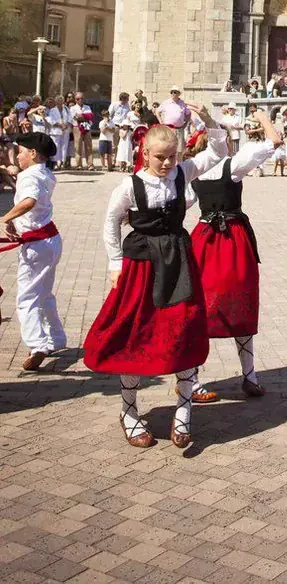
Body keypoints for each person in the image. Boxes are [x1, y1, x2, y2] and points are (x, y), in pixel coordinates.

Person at [83, 106, 222, 449]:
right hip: (141, 267)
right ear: (144, 153)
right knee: (136, 334)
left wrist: (209, 121)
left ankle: (184, 410)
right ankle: (129, 411)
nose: (167, 163)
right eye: (160, 157)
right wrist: (115, 263)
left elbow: (218, 151)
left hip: (178, 263)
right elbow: (111, 222)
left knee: (184, 329)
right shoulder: (130, 186)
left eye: (172, 156)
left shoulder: (182, 173)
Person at [188, 109, 279, 401]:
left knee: (200, 305)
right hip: (232, 240)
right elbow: (274, 141)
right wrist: (264, 118)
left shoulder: (193, 171)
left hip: (203, 238)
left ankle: (191, 380)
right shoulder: (233, 165)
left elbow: (182, 202)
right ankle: (249, 376)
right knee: (241, 303)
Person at [0, 132, 66, 371]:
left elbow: (29, 201)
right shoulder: (45, 173)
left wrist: (6, 217)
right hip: (49, 239)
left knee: (27, 298)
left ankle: (37, 344)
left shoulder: (29, 176)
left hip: (37, 245)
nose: (18, 157)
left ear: (33, 153)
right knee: (44, 294)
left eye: (20, 152)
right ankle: (56, 337)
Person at [157, 87, 191, 154]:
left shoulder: (183, 103)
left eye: (175, 92)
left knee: (179, 150)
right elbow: (157, 111)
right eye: (171, 92)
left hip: (179, 129)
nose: (173, 94)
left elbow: (188, 114)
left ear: (179, 94)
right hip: (168, 129)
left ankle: (178, 161)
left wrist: (186, 123)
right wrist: (160, 121)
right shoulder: (166, 102)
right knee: (167, 147)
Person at [69, 92, 95, 168]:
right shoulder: (73, 108)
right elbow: (75, 118)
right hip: (77, 127)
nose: (80, 100)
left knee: (89, 146)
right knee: (78, 146)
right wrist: (85, 117)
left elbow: (90, 116)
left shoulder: (87, 107)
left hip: (86, 126)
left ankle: (90, 164)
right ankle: (79, 164)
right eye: (78, 99)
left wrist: (81, 116)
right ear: (75, 100)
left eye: (81, 98)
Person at [47, 96, 72, 168]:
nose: (60, 101)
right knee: (56, 146)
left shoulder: (66, 109)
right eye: (58, 100)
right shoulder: (52, 110)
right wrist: (60, 125)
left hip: (65, 130)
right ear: (56, 101)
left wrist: (66, 125)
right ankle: (56, 162)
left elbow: (70, 118)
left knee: (64, 146)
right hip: (56, 131)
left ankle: (63, 162)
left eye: (61, 100)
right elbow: (51, 120)